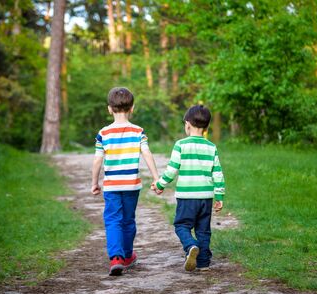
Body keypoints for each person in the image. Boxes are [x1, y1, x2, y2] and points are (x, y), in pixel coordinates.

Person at [91, 87, 160, 276]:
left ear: (109, 109)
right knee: (128, 220)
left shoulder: (103, 133)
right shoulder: (138, 131)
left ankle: (116, 257)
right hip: (131, 185)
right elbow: (146, 152)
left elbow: (98, 160)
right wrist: (156, 178)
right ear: (132, 108)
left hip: (112, 186)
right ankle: (128, 255)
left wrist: (94, 182)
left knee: (113, 219)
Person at [152, 105, 225, 272]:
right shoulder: (211, 147)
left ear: (187, 124)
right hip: (206, 197)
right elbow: (218, 174)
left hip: (187, 197)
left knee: (182, 226)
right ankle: (204, 263)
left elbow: (171, 170)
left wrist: (159, 184)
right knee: (203, 230)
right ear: (206, 127)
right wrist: (219, 196)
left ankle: (190, 245)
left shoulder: (181, 145)